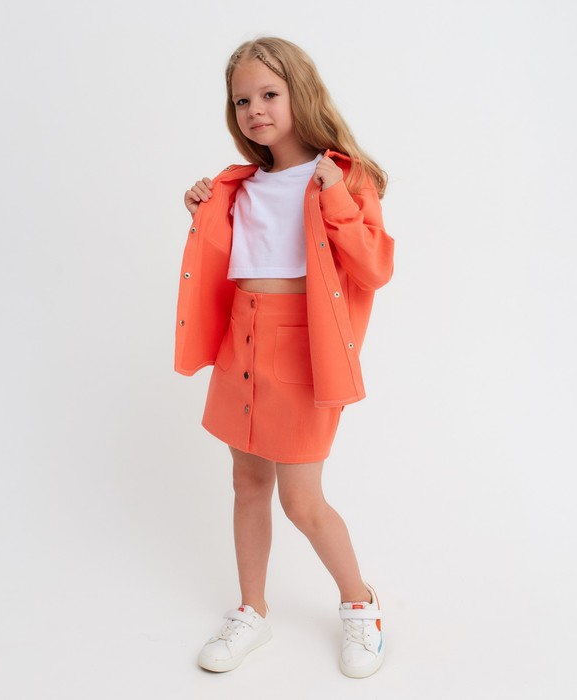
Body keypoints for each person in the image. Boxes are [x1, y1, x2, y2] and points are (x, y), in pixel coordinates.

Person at [174, 36, 394, 678]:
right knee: (247, 484)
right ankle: (252, 610)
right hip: (240, 338)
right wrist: (202, 211)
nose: (255, 110)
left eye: (269, 94)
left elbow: (375, 269)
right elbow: (226, 263)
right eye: (242, 100)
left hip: (303, 346)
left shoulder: (342, 175)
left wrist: (336, 197)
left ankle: (361, 603)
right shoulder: (235, 185)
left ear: (302, 93)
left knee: (302, 500)